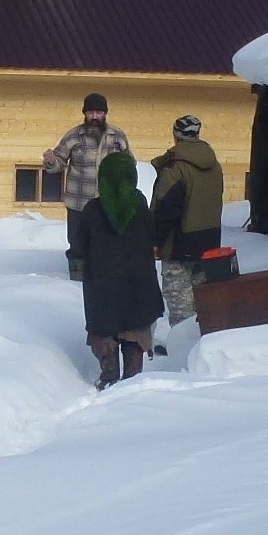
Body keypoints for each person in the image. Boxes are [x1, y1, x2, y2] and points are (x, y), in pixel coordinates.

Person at [68, 150, 164, 388]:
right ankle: (132, 379)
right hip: (138, 285)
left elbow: (79, 245)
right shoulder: (141, 207)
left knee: (105, 331)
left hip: (102, 286)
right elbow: (154, 239)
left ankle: (109, 376)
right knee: (134, 331)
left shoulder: (92, 210)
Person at [43, 92, 129, 277]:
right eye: (91, 112)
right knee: (77, 243)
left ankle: (103, 278)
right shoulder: (74, 136)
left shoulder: (117, 136)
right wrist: (51, 161)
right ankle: (76, 282)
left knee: (106, 242)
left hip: (107, 202)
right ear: (85, 114)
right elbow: (59, 162)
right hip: (78, 202)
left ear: (105, 114)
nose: (95, 117)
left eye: (99, 112)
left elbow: (129, 164)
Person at [150, 114, 225, 326]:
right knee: (202, 305)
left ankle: (182, 352)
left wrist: (155, 241)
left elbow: (165, 209)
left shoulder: (175, 168)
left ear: (176, 136)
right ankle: (200, 347)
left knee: (180, 307)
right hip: (209, 243)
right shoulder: (214, 165)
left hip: (178, 246)